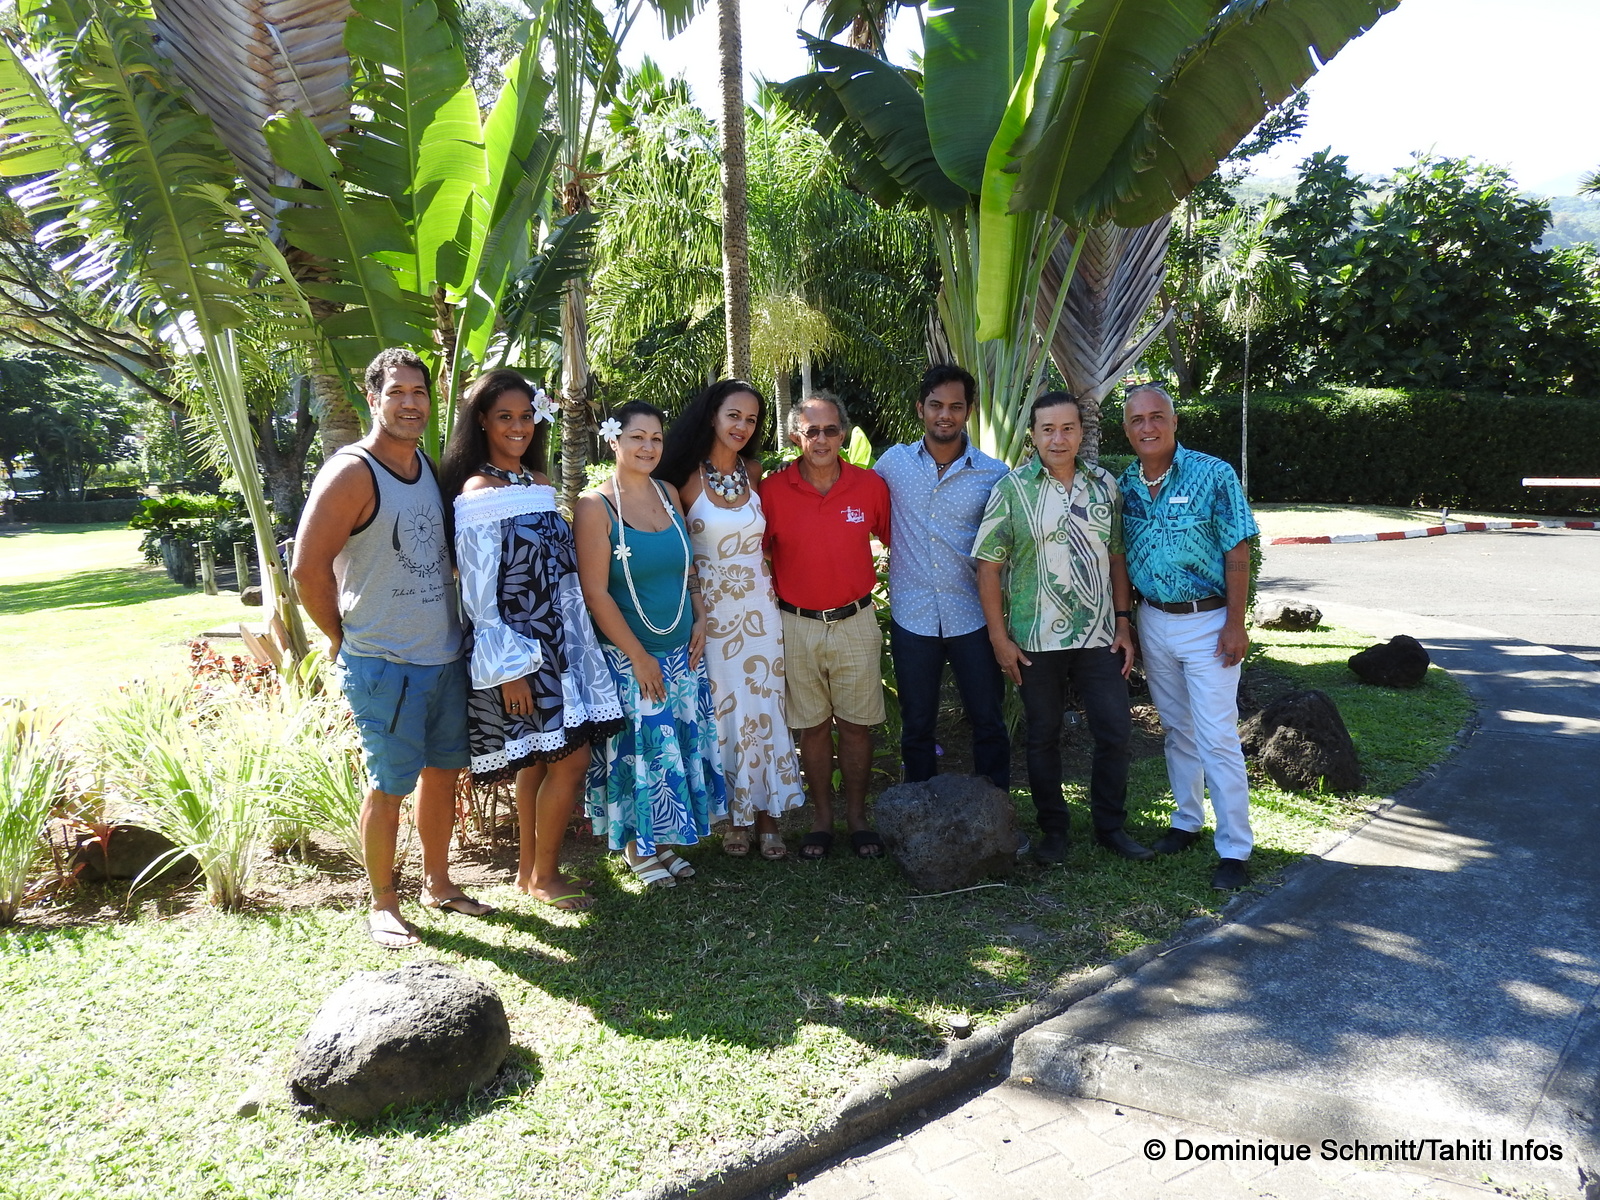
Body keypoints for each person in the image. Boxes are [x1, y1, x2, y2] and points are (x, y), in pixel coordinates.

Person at [291, 347, 493, 948]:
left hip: (443, 655)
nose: (409, 404)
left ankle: (438, 882)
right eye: (397, 392)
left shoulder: (428, 468)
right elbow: (306, 568)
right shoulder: (352, 472)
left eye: (419, 394)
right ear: (372, 399)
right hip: (385, 662)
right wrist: (342, 637)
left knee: (443, 774)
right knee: (388, 785)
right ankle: (383, 901)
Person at [440, 369, 622, 911]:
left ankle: (528, 874)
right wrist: (509, 670)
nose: (517, 427)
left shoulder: (535, 481)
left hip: (561, 645)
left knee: (543, 762)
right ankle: (545, 876)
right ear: (482, 422)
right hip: (520, 653)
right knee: (570, 758)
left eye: (525, 416)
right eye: (504, 418)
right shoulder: (478, 491)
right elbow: (477, 593)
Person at [973, 391, 1153, 867]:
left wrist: (1122, 622)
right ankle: (1054, 829)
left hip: (1099, 636)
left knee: (1115, 730)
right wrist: (999, 639)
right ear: (1033, 435)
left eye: (1068, 428)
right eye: (1048, 429)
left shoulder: (1104, 486)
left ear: (1082, 432)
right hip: (1035, 639)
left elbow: (1117, 556)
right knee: (1043, 736)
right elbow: (988, 567)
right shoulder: (1012, 490)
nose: (1059, 437)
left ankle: (1110, 826)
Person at [574, 402, 726, 888]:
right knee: (640, 751)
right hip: (629, 655)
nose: (648, 447)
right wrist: (638, 656)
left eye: (656, 438)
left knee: (672, 748)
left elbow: (688, 565)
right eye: (637, 437)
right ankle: (637, 847)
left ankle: (660, 841)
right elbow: (595, 592)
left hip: (682, 649)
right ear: (613, 441)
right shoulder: (595, 506)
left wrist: (700, 614)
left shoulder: (667, 493)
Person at [1118, 383, 1259, 891]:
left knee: (1218, 736)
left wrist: (1236, 622)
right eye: (1138, 420)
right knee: (1177, 729)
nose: (1148, 427)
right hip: (1154, 620)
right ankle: (1186, 822)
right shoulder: (1125, 485)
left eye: (1158, 416)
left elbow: (1237, 548)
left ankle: (1235, 848)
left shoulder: (1213, 474)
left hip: (1209, 622)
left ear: (1175, 422)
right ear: (1128, 429)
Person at [657, 379, 805, 861]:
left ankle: (769, 815)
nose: (742, 426)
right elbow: (679, 557)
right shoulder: (680, 478)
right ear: (712, 417)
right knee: (723, 714)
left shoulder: (754, 471)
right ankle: (734, 816)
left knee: (765, 709)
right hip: (712, 618)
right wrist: (696, 611)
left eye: (751, 419)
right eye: (733, 416)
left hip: (760, 612)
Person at [758, 393, 891, 860]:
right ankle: (821, 820)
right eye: (810, 431)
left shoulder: (869, 486)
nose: (820, 439)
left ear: (843, 434)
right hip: (796, 624)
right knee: (812, 728)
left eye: (830, 430)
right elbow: (756, 553)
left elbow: (897, 542)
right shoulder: (773, 491)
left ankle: (857, 818)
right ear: (796, 436)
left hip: (855, 620)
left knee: (856, 726)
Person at [874, 364, 1009, 791]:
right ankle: (919, 811)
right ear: (920, 409)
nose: (944, 415)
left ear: (968, 411)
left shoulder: (994, 474)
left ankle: (996, 815)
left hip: (972, 615)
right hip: (913, 616)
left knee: (987, 720)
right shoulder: (892, 464)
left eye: (955, 406)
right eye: (936, 405)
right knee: (916, 725)